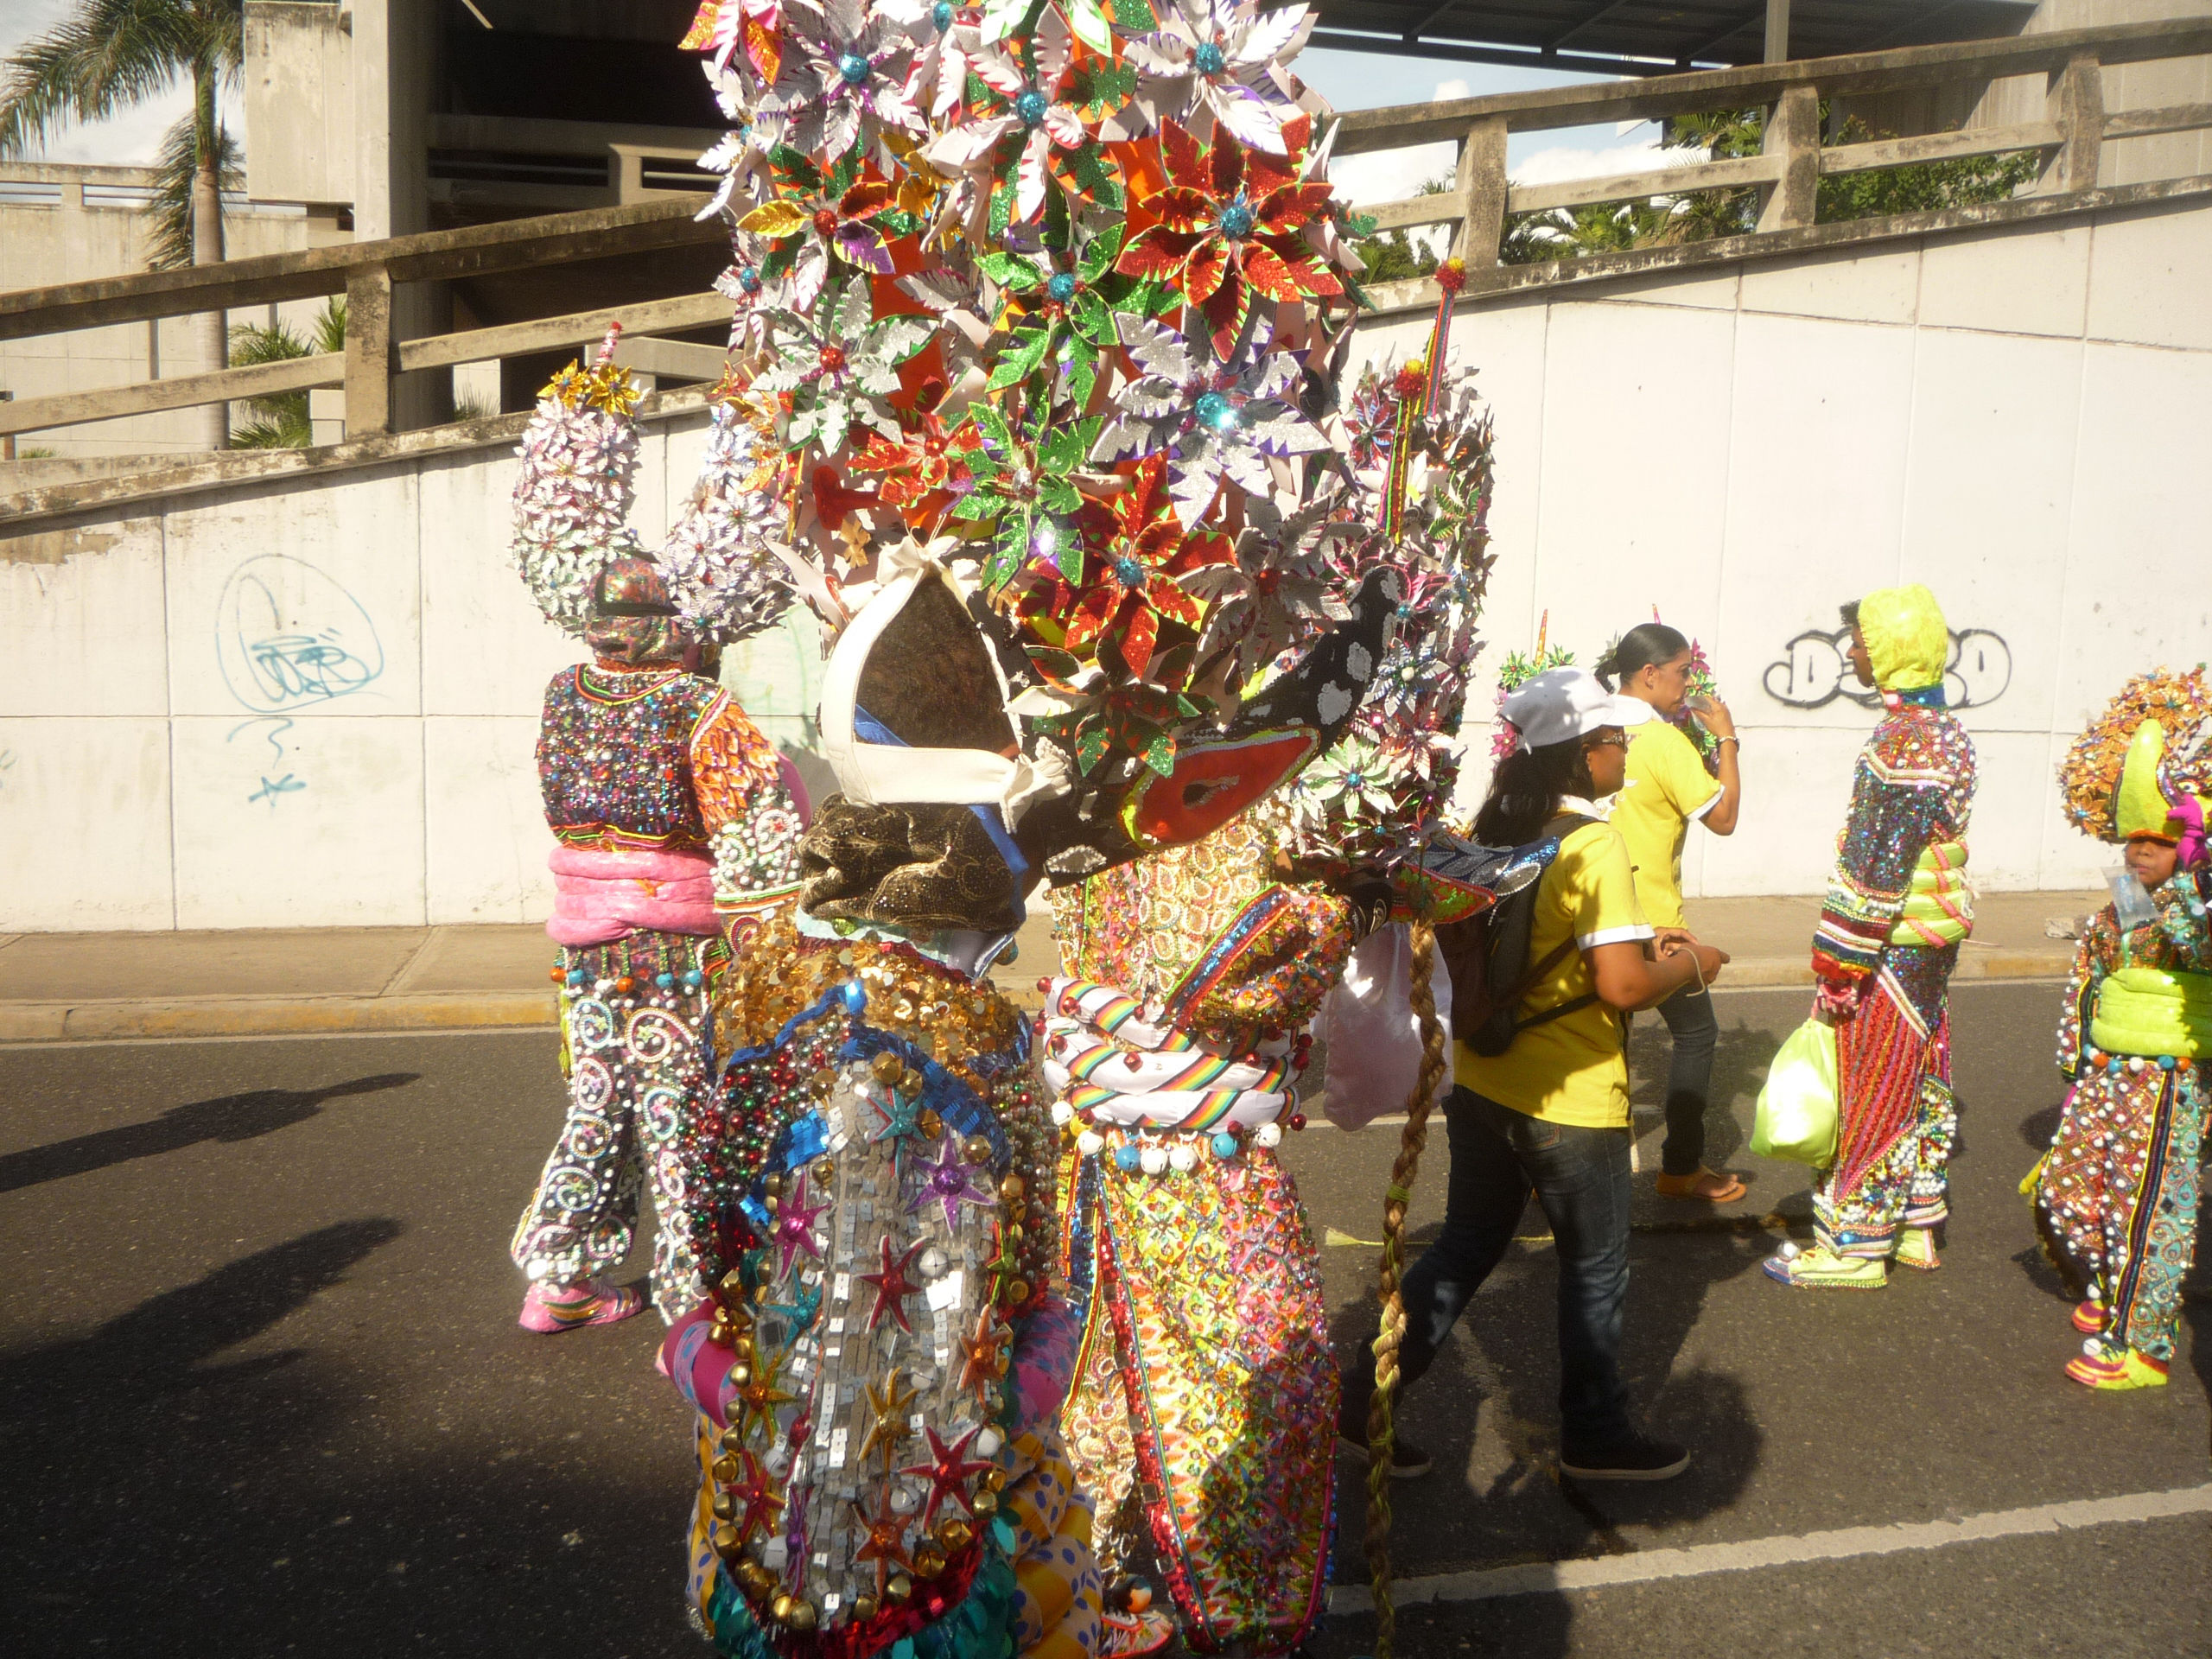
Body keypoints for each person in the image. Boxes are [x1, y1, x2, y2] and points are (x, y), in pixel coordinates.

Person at [1338, 667, 1727, 1483]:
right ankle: (1595, 1434)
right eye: (1616, 739)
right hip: (1570, 1095)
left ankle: (1359, 1403)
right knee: (1596, 1265)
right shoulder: (1595, 844)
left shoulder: (1497, 826)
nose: (1627, 750)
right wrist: (1693, 965)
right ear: (1584, 757)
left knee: (1466, 1246)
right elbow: (1621, 985)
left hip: (1485, 1082)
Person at [511, 556, 808, 1332]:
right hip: (673, 948)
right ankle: (694, 1302)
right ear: (674, 631)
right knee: (679, 1118)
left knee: (598, 1103)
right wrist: (774, 947)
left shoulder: (562, 698)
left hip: (584, 943)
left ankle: (560, 1276)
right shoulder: (698, 708)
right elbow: (757, 831)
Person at [1764, 585, 1976, 1290]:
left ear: (1892, 650)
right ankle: (1916, 1225)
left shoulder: (1905, 741)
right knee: (1917, 1067)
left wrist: (1838, 960)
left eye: (1861, 640)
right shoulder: (1945, 731)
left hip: (1889, 941)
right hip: (1928, 938)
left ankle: (1855, 1248)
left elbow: (1876, 865)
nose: (1851, 650)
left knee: (1873, 1081)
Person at [2029, 708, 2210, 1390]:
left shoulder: (2200, 909)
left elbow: (2198, 948)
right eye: (2133, 840)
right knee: (2071, 1191)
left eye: (2159, 842)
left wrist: (2196, 881)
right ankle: (2109, 1282)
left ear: (2189, 849)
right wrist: (2077, 1061)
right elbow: (2091, 980)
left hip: (2173, 1084)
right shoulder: (2124, 905)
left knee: (2149, 1211)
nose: (2139, 852)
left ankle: (2145, 1346)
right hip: (2106, 1075)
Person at [1600, 622, 1745, 1202]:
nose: (1689, 683)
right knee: (1697, 1033)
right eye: (1683, 672)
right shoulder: (1663, 743)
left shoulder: (1596, 730)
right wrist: (1727, 740)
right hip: (1654, 921)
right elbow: (1725, 817)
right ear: (1649, 673)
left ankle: (1560, 1170)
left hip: (1591, 911)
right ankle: (1681, 1166)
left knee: (1603, 1042)